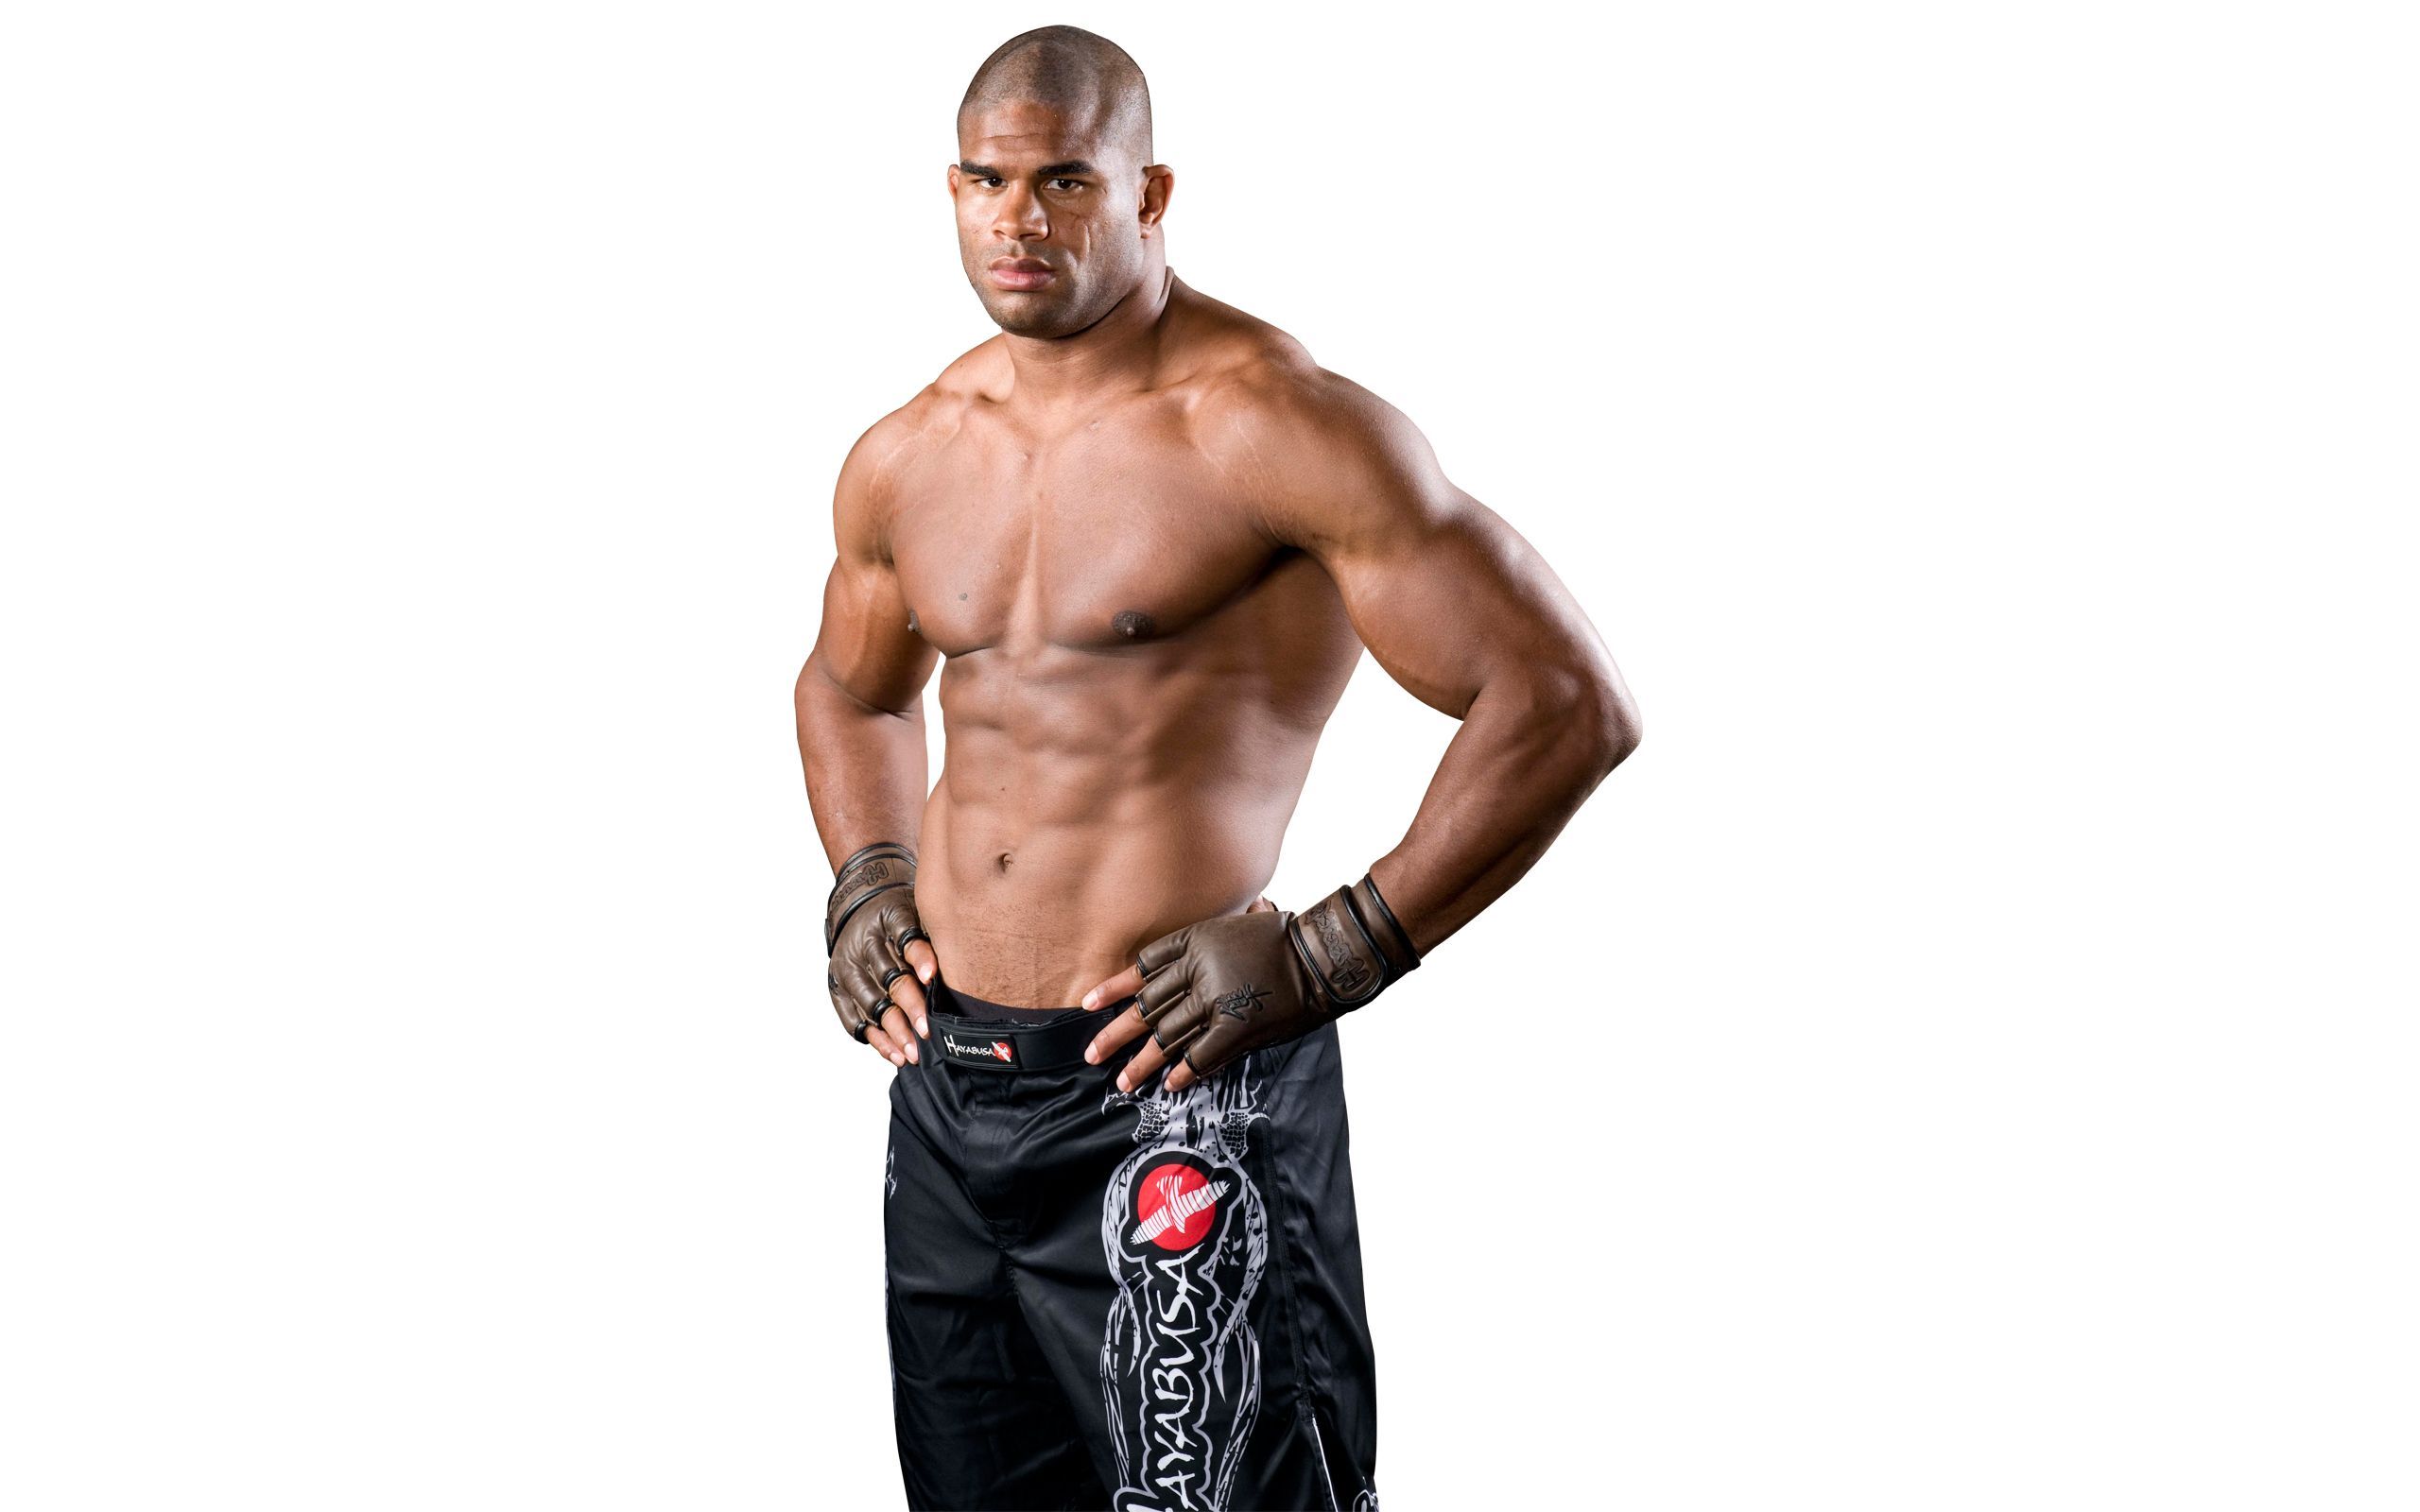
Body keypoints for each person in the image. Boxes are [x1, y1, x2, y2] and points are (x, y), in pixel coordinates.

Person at [795, 26, 1640, 1512]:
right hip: (948, 1093)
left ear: (1149, 192)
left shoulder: (1268, 425)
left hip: (1180, 1098)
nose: (1019, 217)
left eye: (1065, 180)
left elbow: (1564, 699)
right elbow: (851, 691)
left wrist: (1332, 950)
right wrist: (867, 875)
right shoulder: (909, 452)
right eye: (987, 181)